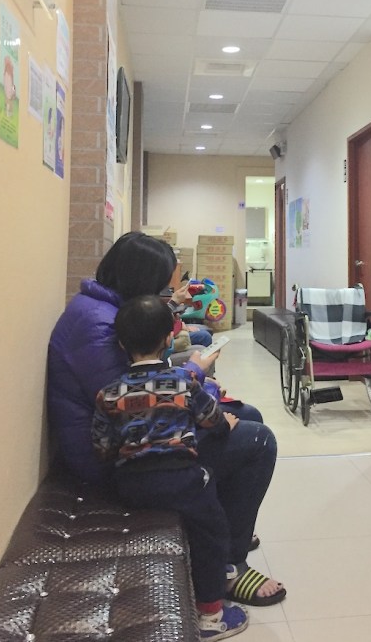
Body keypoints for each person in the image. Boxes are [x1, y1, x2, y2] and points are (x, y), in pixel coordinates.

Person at [47, 230, 284, 606]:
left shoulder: (102, 308)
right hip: (117, 456)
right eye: (162, 286)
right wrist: (196, 374)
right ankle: (229, 565)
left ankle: (226, 526)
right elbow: (142, 400)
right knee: (258, 440)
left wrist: (199, 381)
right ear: (141, 280)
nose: (165, 292)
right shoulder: (97, 326)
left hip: (120, 434)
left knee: (246, 416)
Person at [92, 295, 250, 640]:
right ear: (168, 339)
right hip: (181, 480)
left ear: (122, 344)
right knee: (212, 531)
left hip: (130, 486)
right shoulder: (182, 381)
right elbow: (212, 420)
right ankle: (211, 615)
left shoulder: (108, 393)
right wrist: (225, 424)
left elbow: (102, 448)